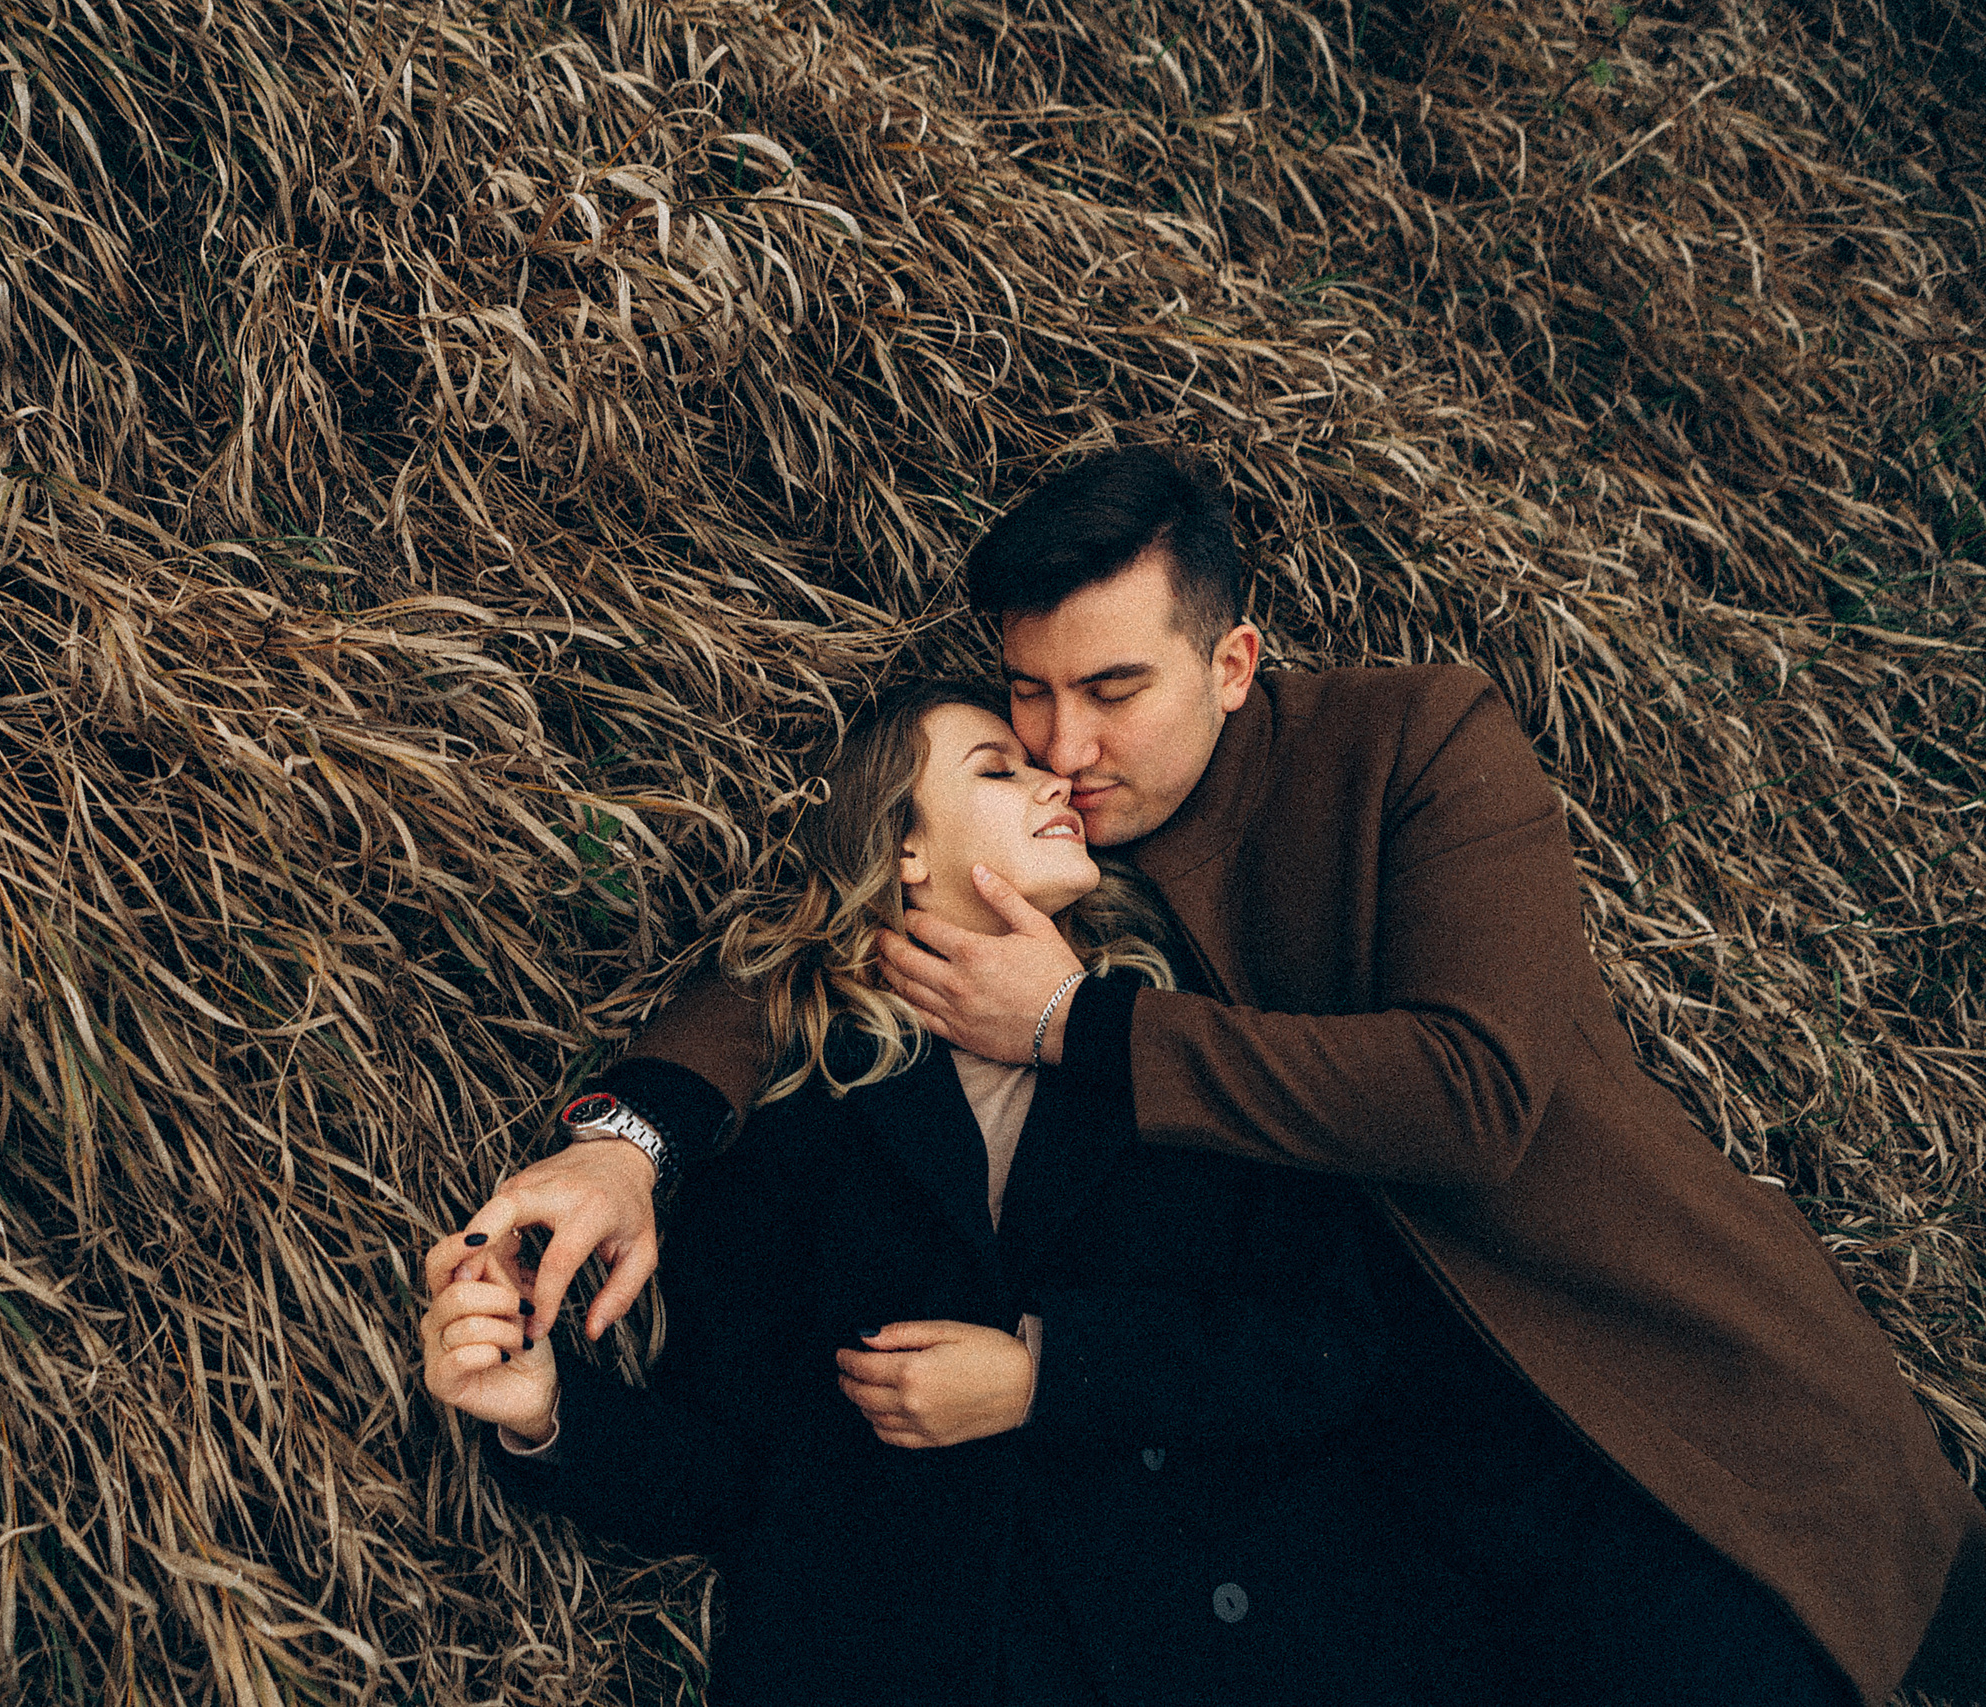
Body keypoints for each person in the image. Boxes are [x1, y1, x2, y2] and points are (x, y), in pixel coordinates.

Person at [464, 448, 1986, 1706]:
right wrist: (629, 1139)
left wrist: (1077, 1029)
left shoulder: (1413, 747)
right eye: (1027, 697)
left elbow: (1474, 1093)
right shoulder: (1073, 851)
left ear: (1235, 660)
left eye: (1112, 688)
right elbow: (838, 930)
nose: (1063, 746)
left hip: (1651, 1413)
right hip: (1407, 1500)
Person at [424, 682, 1463, 1705]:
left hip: (1196, 1648)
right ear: (903, 849)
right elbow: (741, 1476)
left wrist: (1045, 1374)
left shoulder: (1172, 1048)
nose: (1055, 777)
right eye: (998, 768)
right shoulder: (794, 1115)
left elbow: (1326, 1353)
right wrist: (551, 1412)